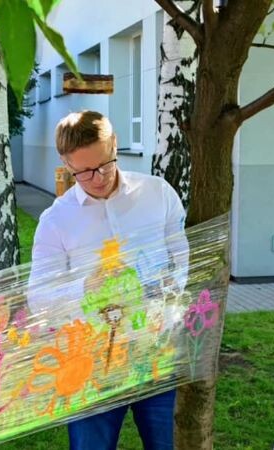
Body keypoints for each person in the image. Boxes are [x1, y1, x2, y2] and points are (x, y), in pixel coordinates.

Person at [29, 110, 187, 450]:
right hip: (91, 364)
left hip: (154, 351)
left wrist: (167, 291)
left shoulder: (158, 194)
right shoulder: (56, 220)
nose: (98, 177)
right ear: (66, 164)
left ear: (114, 144)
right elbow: (38, 296)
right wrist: (86, 287)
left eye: (105, 164)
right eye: (84, 172)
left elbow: (181, 257)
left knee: (167, 444)